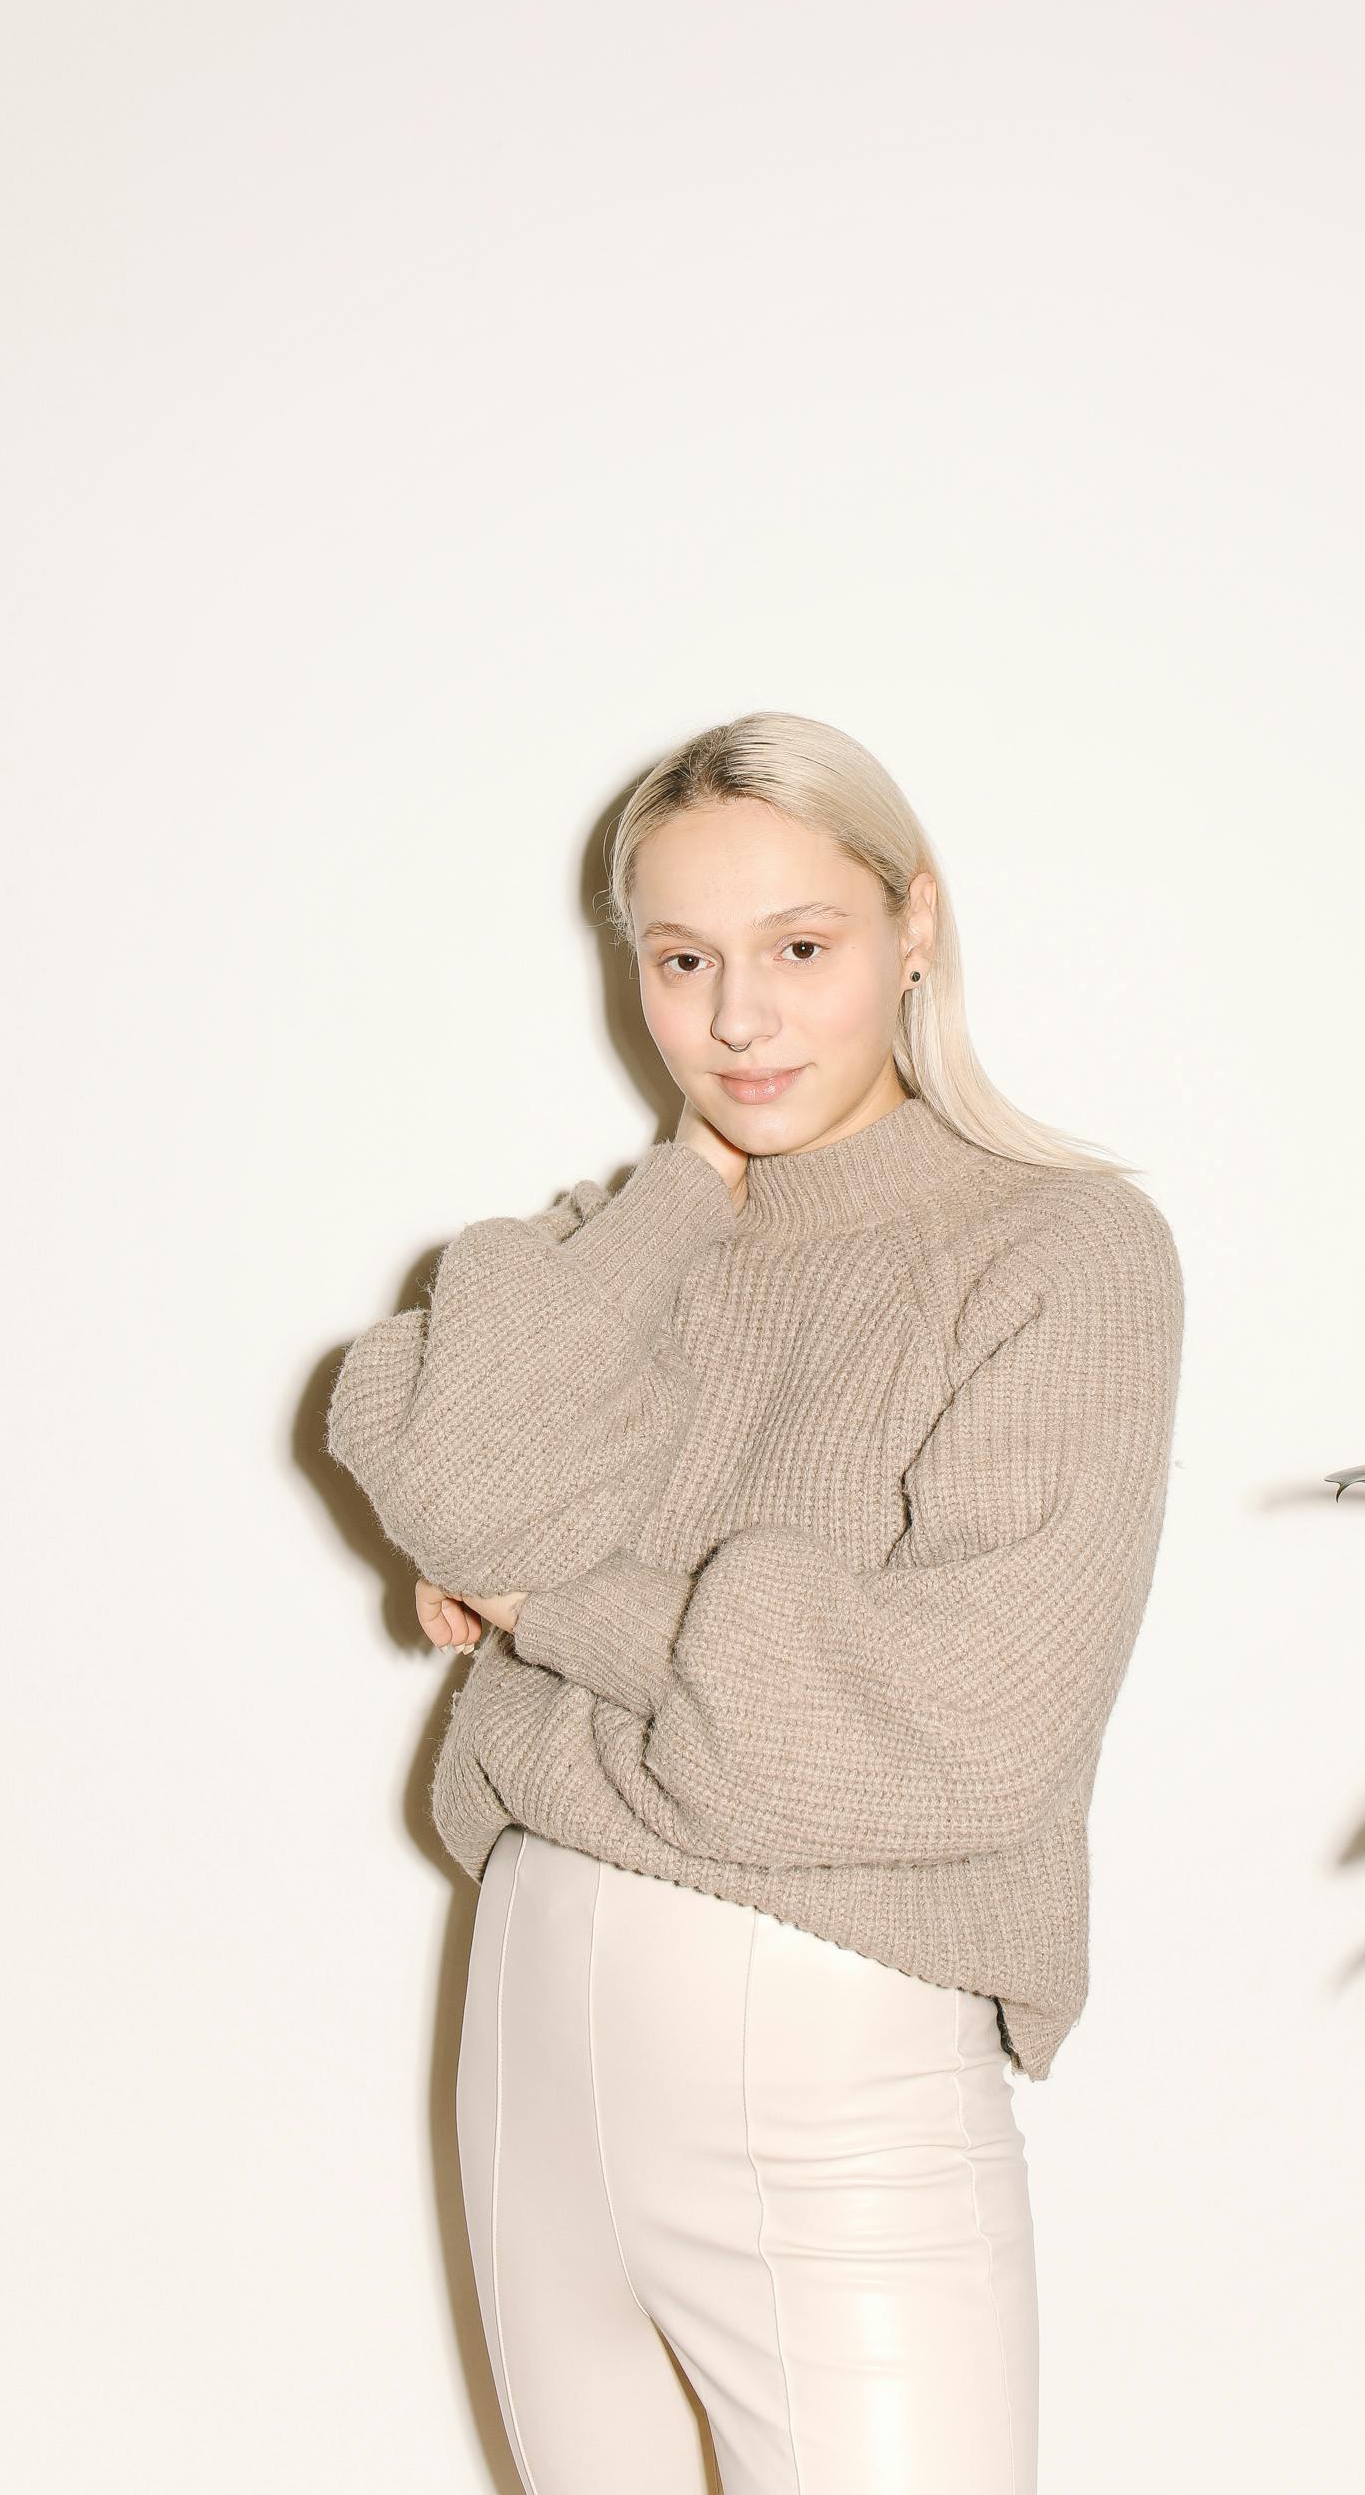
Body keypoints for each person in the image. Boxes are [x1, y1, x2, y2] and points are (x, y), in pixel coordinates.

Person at [327, 710, 1186, 2495]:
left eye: (802, 950)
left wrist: (548, 1600)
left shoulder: (1059, 1246)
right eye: (682, 962)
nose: (738, 1020)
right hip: (534, 2028)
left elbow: (963, 1730)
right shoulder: (610, 1244)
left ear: (913, 925)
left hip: (830, 2055)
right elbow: (432, 1465)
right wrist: (673, 1202)